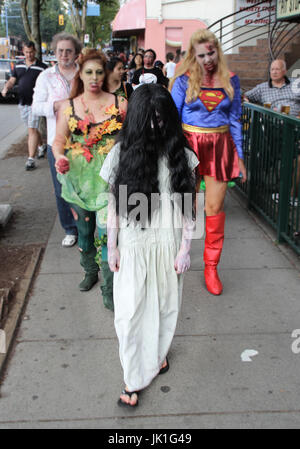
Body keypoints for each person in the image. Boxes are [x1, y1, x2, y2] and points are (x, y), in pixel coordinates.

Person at [100, 83, 199, 407]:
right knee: (129, 316)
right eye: (150, 120)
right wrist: (112, 246)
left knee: (165, 308)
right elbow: (113, 206)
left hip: (167, 244)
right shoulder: (120, 154)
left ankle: (157, 356)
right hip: (134, 244)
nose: (156, 126)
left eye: (162, 119)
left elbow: (188, 205)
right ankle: (133, 379)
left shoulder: (182, 155)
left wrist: (185, 248)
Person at [170, 29, 247, 296]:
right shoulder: (184, 80)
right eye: (201, 55)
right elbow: (171, 119)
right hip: (189, 146)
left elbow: (236, 119)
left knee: (214, 208)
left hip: (220, 147)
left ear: (218, 50)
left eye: (211, 53)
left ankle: (211, 267)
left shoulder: (231, 80)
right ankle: (176, 253)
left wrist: (240, 157)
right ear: (194, 54)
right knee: (185, 205)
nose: (207, 59)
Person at [52, 49, 127, 303]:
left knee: (109, 235)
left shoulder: (120, 104)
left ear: (104, 74)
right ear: (80, 74)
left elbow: (133, 138)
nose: (94, 77)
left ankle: (110, 287)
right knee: (85, 233)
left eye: (98, 72)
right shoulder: (69, 107)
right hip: (79, 183)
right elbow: (58, 142)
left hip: (111, 181)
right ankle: (89, 272)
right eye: (88, 72)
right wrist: (60, 158)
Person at [32, 33, 82, 248]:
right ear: (55, 52)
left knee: (85, 186)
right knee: (62, 187)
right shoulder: (46, 77)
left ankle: (86, 228)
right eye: (60, 51)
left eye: (68, 51)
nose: (64, 55)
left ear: (76, 53)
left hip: (85, 142)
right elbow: (36, 107)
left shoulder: (85, 73)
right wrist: (56, 105)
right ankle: (70, 228)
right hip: (58, 143)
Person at [244, 59, 300, 206]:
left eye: (277, 69)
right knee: (293, 159)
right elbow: (245, 97)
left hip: (295, 127)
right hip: (274, 129)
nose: (274, 72)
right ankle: (287, 193)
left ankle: (290, 194)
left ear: (284, 71)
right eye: (272, 69)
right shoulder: (262, 88)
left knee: (296, 160)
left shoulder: (295, 85)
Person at [1, 41, 47, 170]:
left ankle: (31, 159)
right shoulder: (18, 65)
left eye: (31, 52)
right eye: (26, 52)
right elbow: (12, 80)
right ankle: (41, 146)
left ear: (35, 51)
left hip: (35, 103)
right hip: (22, 102)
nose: (29, 55)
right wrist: (6, 88)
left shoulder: (42, 67)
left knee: (31, 129)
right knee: (31, 128)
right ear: (23, 51)